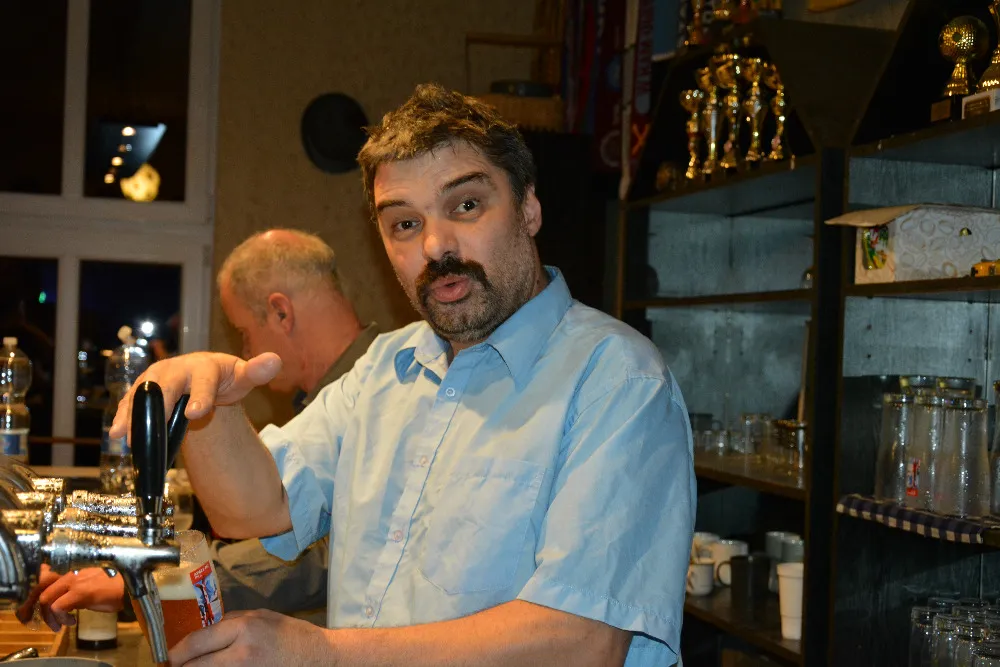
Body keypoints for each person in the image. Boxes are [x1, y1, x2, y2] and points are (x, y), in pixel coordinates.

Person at [110, 83, 694, 667]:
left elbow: (583, 641)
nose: (437, 246)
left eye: (466, 205)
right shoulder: (386, 366)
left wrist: (324, 654)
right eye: (405, 224)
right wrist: (209, 402)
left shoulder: (618, 380)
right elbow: (253, 509)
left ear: (529, 209)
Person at [18, 230, 379, 629]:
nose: (246, 351)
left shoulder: (388, 391)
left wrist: (147, 579)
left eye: (243, 333)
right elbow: (260, 518)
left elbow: (322, 556)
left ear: (281, 313)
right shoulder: (332, 397)